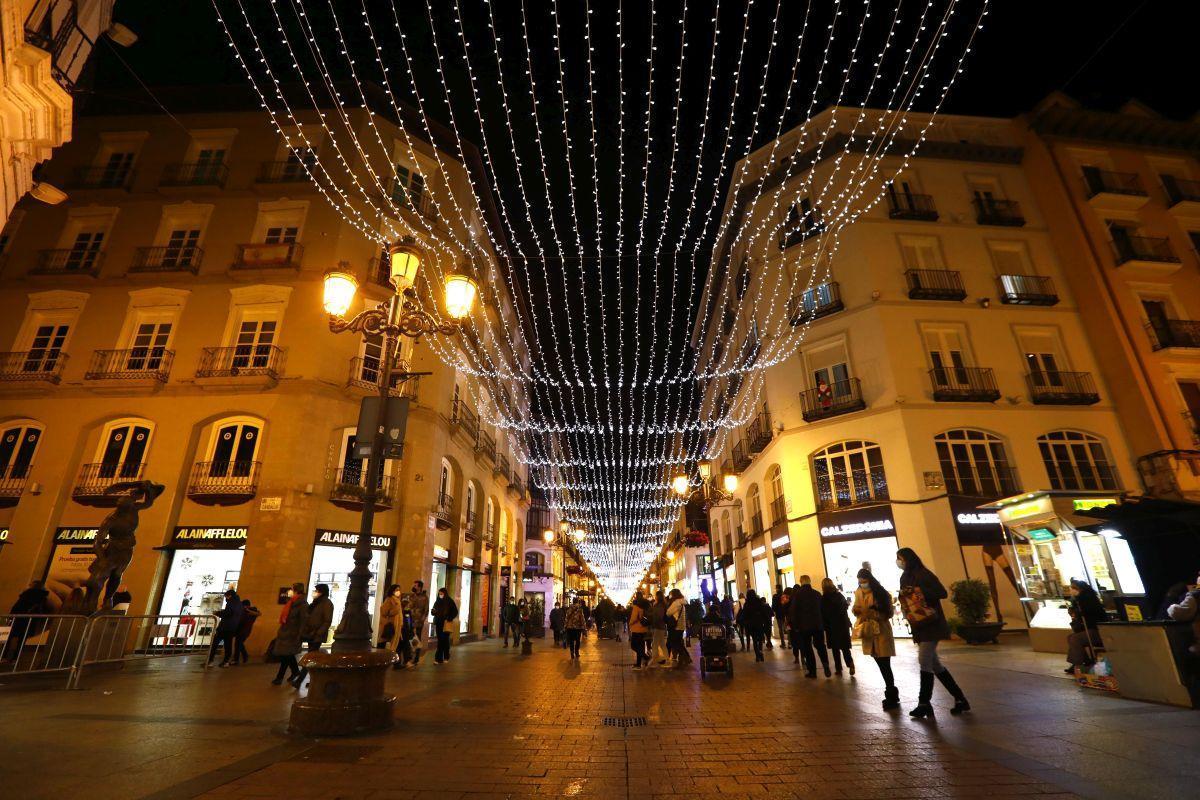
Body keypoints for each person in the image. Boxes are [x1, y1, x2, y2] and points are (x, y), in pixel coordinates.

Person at [897, 547, 969, 717]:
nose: (899, 562)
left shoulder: (924, 574)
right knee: (935, 665)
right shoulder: (905, 577)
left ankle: (924, 702)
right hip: (919, 625)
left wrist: (920, 592)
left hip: (931, 623)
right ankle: (960, 699)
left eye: (900, 558)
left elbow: (942, 593)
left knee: (924, 660)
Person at [853, 568, 899, 709]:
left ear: (870, 580)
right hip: (869, 633)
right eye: (860, 582)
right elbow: (856, 608)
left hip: (881, 632)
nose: (862, 584)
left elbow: (888, 613)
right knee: (881, 664)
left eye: (864, 582)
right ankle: (891, 692)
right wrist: (857, 610)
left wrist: (873, 613)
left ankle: (891, 694)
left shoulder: (880, 593)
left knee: (885, 664)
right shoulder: (858, 592)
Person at [291, 583, 333, 688]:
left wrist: (319, 632)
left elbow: (327, 620)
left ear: (322, 592)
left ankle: (299, 680)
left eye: (317, 590)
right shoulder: (315, 603)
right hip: (310, 634)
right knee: (312, 658)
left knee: (310, 657)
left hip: (316, 635)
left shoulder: (327, 603)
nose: (315, 592)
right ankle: (315, 680)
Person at [788, 577, 830, 677]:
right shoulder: (817, 594)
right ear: (809, 582)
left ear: (801, 582)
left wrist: (795, 625)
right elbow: (823, 610)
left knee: (807, 648)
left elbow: (794, 612)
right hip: (817, 625)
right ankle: (825, 664)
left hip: (804, 626)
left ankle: (812, 671)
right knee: (820, 646)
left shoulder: (797, 595)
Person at [1066, 579, 1109, 673]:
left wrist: (1077, 613)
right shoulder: (1080, 601)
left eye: (1074, 588)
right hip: (1092, 629)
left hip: (1098, 631)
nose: (1071, 590)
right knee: (1071, 637)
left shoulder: (1087, 601)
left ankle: (1078, 664)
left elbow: (1088, 616)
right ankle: (1084, 661)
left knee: (1075, 639)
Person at [272, 583, 308, 685]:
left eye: (291, 589)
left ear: (296, 590)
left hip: (292, 634)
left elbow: (303, 621)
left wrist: (299, 635)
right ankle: (295, 671)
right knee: (288, 655)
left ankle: (279, 677)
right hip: (285, 632)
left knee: (286, 655)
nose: (289, 591)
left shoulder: (302, 605)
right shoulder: (291, 602)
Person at [5, 580, 50, 661]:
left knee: (9, 637)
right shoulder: (43, 597)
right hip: (30, 621)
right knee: (22, 640)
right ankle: (15, 658)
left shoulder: (27, 594)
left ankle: (4, 656)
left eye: (30, 584)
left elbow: (17, 606)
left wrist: (11, 616)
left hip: (19, 619)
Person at [820, 578, 854, 676]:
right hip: (842, 625)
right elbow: (845, 608)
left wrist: (825, 626)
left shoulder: (824, 599)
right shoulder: (839, 596)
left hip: (832, 626)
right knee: (845, 647)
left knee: (835, 649)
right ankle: (850, 663)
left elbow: (823, 614)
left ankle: (838, 669)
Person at [208, 588, 244, 667]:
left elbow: (228, 613)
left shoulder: (231, 603)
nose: (226, 599)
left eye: (226, 597)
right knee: (228, 645)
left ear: (229, 596)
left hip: (224, 627)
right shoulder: (239, 604)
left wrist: (218, 613)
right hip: (232, 628)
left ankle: (210, 661)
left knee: (214, 644)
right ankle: (226, 662)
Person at [737, 589, 772, 662]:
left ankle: (757, 656)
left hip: (751, 625)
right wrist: (766, 621)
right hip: (759, 623)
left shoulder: (747, 603)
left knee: (755, 640)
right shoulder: (758, 601)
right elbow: (763, 612)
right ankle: (760, 652)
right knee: (760, 639)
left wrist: (742, 621)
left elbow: (744, 614)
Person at [666, 588, 692, 668]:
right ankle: (685, 659)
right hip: (681, 626)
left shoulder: (676, 603)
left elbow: (668, 612)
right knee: (679, 643)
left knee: (677, 644)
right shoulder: (682, 602)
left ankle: (684, 660)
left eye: (671, 594)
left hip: (676, 626)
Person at [431, 587, 458, 664]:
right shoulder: (437, 602)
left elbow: (455, 611)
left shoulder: (450, 601)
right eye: (439, 594)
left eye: (442, 594)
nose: (440, 595)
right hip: (439, 623)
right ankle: (441, 658)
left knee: (444, 640)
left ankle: (441, 657)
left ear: (445, 594)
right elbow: (434, 610)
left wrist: (449, 618)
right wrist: (433, 612)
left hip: (446, 623)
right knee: (441, 640)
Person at [232, 598, 260, 665]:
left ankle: (237, 659)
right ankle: (245, 656)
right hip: (241, 630)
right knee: (239, 644)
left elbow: (259, 613)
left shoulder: (252, 610)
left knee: (238, 644)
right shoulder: (244, 611)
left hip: (244, 630)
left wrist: (247, 610)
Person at [409, 580, 430, 664]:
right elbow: (408, 606)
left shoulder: (424, 597)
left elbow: (426, 610)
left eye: (415, 585)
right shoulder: (412, 596)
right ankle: (410, 655)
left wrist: (422, 619)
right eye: (414, 585)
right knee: (410, 637)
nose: (414, 586)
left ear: (420, 587)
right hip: (410, 619)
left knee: (417, 638)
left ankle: (416, 657)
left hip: (419, 621)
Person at [628, 594, 650, 669]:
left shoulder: (636, 606)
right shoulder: (646, 605)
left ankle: (646, 657)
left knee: (634, 646)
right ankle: (638, 664)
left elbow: (634, 617)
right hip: (644, 628)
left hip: (636, 628)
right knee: (641, 646)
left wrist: (630, 623)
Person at [378, 584, 403, 650]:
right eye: (397, 590)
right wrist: (394, 611)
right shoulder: (389, 599)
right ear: (392, 591)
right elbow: (383, 611)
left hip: (397, 625)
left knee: (396, 643)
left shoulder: (398, 600)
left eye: (399, 590)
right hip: (391, 625)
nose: (398, 591)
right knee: (388, 643)